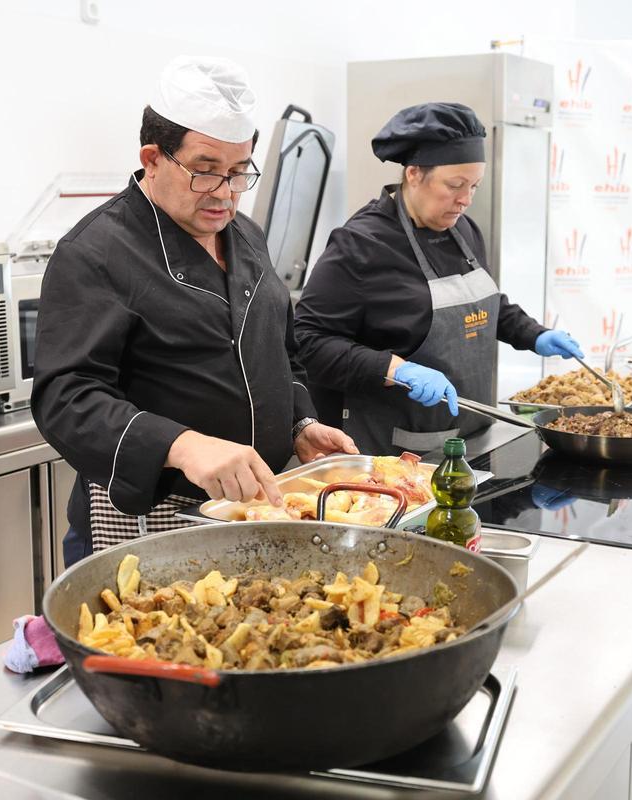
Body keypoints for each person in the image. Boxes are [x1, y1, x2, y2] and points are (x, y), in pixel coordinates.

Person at [32, 56, 356, 566]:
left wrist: (300, 423)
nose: (226, 194)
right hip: (153, 520)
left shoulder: (247, 237)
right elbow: (66, 398)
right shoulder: (96, 253)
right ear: (153, 158)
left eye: (238, 172)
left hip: (259, 508)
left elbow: (280, 354)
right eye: (205, 172)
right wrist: (183, 445)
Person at [294, 102, 583, 455]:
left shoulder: (463, 230)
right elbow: (307, 341)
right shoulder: (360, 244)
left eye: (474, 186)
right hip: (396, 450)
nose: (465, 200)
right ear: (414, 174)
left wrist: (534, 334)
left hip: (471, 436)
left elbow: (484, 304)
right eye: (454, 185)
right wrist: (395, 369)